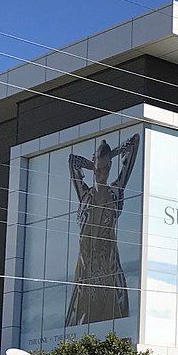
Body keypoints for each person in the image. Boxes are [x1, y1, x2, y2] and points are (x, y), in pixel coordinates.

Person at [66, 133, 140, 328]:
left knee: (111, 312)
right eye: (99, 169)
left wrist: (112, 154)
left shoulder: (115, 193)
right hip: (87, 264)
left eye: (106, 169)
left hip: (107, 262)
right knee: (83, 313)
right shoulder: (85, 194)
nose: (102, 172)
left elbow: (134, 143)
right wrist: (94, 163)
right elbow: (72, 161)